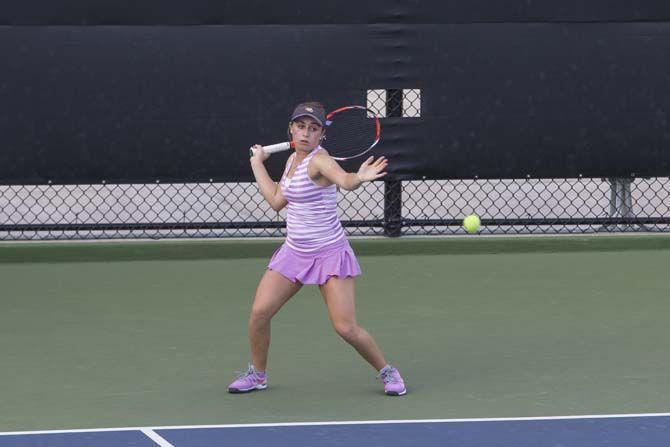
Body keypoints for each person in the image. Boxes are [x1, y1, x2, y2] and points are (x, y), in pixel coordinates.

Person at [228, 101, 406, 396]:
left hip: (329, 255)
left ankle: (388, 372)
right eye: (301, 127)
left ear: (322, 134)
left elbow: (345, 181)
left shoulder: (320, 161)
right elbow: (276, 201)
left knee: (345, 327)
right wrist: (257, 163)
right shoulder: (290, 162)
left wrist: (358, 177)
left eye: (313, 129)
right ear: (291, 129)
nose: (306, 133)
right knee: (259, 313)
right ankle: (258, 375)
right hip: (294, 252)